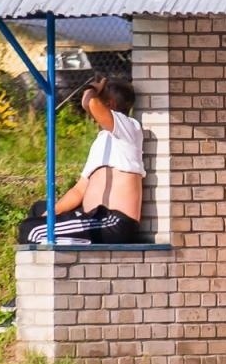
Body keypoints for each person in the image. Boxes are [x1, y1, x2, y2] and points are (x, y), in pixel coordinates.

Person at [15, 75, 143, 246]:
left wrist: (93, 88)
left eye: (101, 97)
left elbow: (89, 103)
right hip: (93, 216)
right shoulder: (102, 141)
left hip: (114, 222)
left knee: (32, 231)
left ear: (110, 104)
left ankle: (70, 248)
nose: (90, 113)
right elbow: (79, 191)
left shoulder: (129, 128)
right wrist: (49, 214)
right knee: (38, 210)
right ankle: (68, 240)